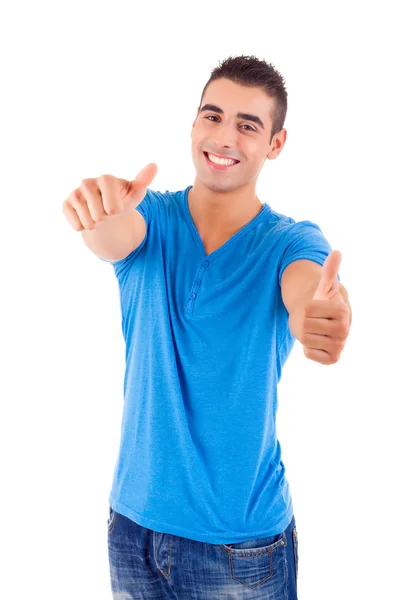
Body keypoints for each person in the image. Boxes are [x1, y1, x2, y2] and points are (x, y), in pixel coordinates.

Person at [63, 54, 352, 600]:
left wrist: (321, 312)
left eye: (248, 125)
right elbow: (114, 236)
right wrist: (99, 212)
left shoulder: (290, 242)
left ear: (276, 144)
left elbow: (307, 290)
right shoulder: (150, 217)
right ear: (194, 124)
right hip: (132, 529)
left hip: (240, 551)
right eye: (212, 116)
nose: (224, 137)